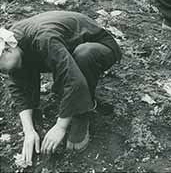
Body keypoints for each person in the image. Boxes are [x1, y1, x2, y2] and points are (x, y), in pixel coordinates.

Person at [0, 11, 121, 166]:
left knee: (84, 55)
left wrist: (60, 126)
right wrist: (29, 130)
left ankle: (82, 112)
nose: (2, 73)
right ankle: (66, 96)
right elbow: (17, 87)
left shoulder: (42, 39)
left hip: (99, 45)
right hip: (65, 48)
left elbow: (74, 81)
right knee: (20, 68)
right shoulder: (13, 44)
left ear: (7, 50)